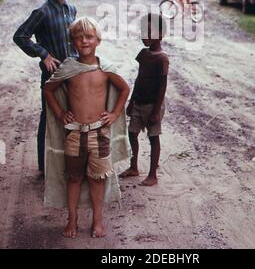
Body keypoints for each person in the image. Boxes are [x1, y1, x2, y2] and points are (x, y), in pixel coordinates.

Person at [44, 17, 130, 238]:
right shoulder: (69, 68)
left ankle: (97, 221)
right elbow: (49, 89)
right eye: (79, 37)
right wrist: (61, 113)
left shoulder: (105, 68)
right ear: (72, 41)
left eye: (89, 36)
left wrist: (114, 113)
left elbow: (124, 89)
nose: (84, 41)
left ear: (98, 40)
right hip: (74, 133)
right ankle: (71, 219)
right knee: (73, 178)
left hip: (99, 134)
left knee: (97, 179)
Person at [13, 0, 76, 175]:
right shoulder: (42, 12)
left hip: (72, 73)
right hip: (52, 76)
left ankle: (69, 162)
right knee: (49, 117)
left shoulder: (72, 9)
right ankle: (44, 167)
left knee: (72, 115)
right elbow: (20, 36)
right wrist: (44, 54)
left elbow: (74, 40)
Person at [119, 13, 169, 186]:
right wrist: (131, 101)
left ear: (161, 35)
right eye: (143, 31)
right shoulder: (143, 54)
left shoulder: (162, 59)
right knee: (132, 133)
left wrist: (156, 111)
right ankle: (134, 167)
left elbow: (162, 87)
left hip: (152, 105)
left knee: (153, 137)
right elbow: (139, 79)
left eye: (150, 32)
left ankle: (153, 175)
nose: (144, 36)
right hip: (139, 102)